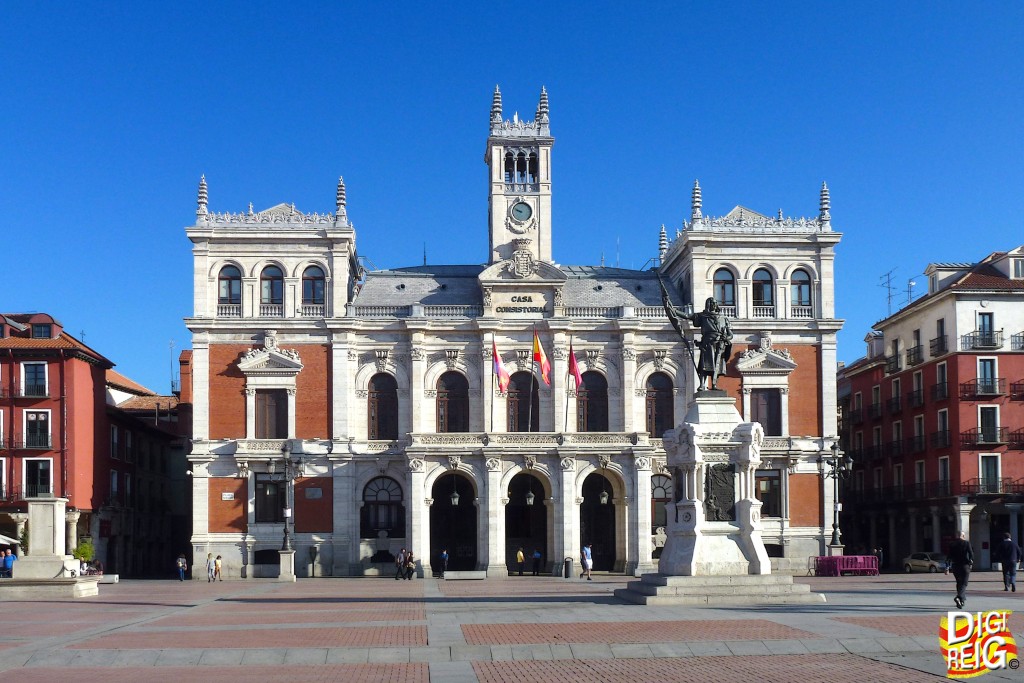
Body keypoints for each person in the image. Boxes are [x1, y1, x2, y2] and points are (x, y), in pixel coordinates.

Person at [660, 281, 733, 391]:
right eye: (711, 303)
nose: (713, 304)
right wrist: (674, 311)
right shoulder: (702, 316)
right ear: (708, 305)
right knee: (704, 365)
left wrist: (726, 338)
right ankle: (702, 385)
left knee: (717, 366)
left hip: (720, 343)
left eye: (714, 303)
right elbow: (687, 316)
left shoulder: (724, 319)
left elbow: (730, 334)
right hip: (708, 343)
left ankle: (714, 385)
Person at [948, 531, 974, 609]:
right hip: (964, 566)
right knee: (964, 583)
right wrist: (971, 561)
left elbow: (949, 556)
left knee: (959, 582)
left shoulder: (952, 544)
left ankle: (961, 601)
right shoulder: (966, 543)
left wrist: (947, 567)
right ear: (962, 535)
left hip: (955, 566)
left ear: (956, 536)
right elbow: (971, 554)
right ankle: (959, 597)